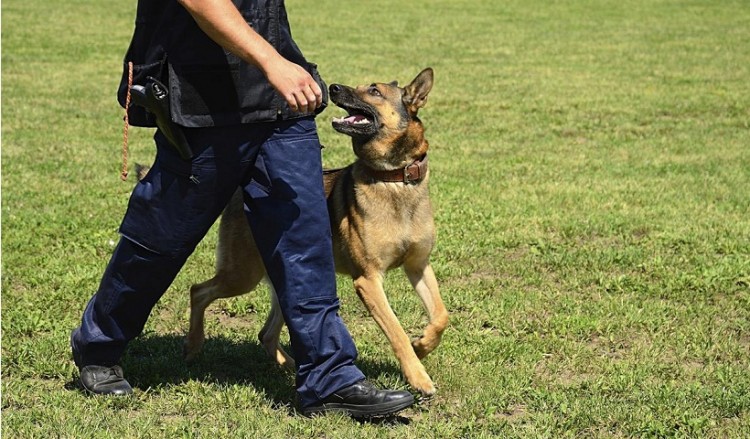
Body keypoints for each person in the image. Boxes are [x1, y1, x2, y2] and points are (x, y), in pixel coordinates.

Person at [70, 0, 415, 419]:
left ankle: (330, 379)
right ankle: (100, 346)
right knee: (161, 238)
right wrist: (272, 61)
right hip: (201, 105)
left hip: (282, 106)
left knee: (304, 238)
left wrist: (279, 64)